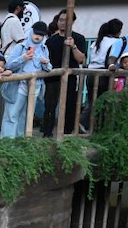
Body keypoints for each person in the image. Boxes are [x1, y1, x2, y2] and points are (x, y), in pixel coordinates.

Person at [1, 21, 51, 138]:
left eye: (41, 35)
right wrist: (23, 58)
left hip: (35, 87)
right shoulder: (20, 46)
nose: (37, 36)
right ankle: (7, 146)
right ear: (31, 31)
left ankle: (20, 146)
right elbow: (8, 65)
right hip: (18, 85)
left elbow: (48, 68)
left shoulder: (44, 49)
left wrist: (46, 63)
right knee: (12, 115)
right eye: (36, 33)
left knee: (25, 116)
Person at [43, 8, 86, 137]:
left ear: (72, 22)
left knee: (69, 107)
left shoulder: (79, 38)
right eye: (60, 20)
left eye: (66, 20)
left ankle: (66, 135)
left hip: (70, 78)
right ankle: (47, 134)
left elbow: (81, 59)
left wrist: (73, 46)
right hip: (52, 78)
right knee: (49, 107)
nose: (62, 23)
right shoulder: (51, 40)